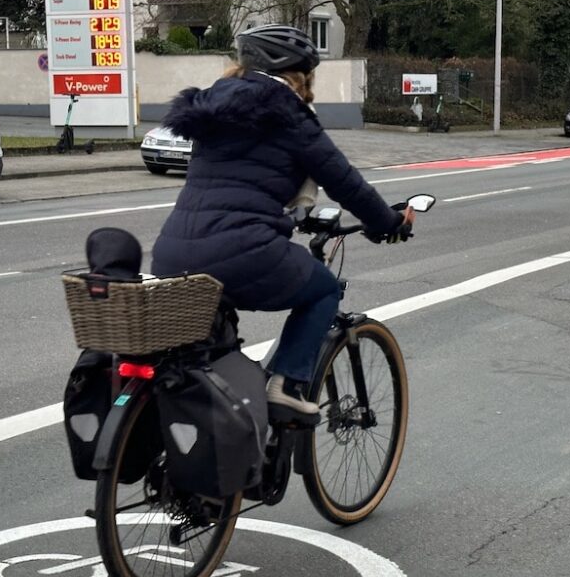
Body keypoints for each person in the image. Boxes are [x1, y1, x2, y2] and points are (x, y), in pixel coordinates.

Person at [150, 24, 414, 420]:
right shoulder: (287, 112)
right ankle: (285, 384)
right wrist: (389, 222)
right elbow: (343, 181)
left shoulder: (212, 109)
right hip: (241, 253)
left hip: (171, 255)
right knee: (324, 289)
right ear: (298, 74)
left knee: (210, 357)